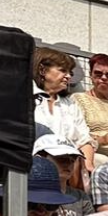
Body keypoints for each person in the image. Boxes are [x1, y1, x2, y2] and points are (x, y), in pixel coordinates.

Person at [31, 47, 95, 181]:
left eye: (70, 72)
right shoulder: (26, 98)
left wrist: (87, 166)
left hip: (68, 170)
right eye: (62, 70)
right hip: (34, 167)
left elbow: (85, 141)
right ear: (42, 70)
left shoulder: (71, 104)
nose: (68, 76)